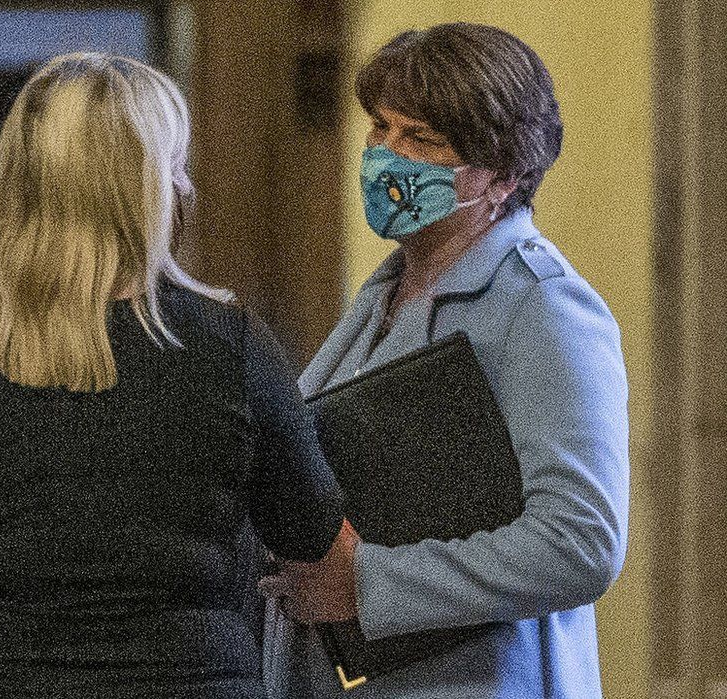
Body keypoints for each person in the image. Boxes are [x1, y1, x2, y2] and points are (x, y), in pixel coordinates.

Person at [0, 53, 351, 699]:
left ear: (16, 185)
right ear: (148, 186)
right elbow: (310, 532)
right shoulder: (231, 348)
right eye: (175, 164)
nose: (186, 185)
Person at [260, 23, 630, 699]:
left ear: (505, 175)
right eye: (380, 128)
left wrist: (369, 584)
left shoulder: (544, 308)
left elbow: (581, 542)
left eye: (420, 138)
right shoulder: (383, 293)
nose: (385, 156)